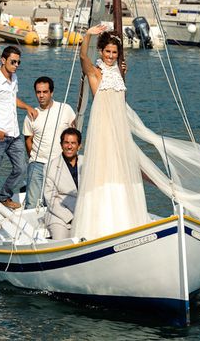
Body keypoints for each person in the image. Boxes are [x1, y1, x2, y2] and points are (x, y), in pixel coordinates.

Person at [71, 25, 149, 240]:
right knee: (104, 168)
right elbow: (82, 54)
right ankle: (101, 224)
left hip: (120, 127)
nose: (111, 56)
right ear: (101, 51)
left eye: (114, 52)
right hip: (103, 126)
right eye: (108, 52)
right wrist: (88, 34)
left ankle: (125, 218)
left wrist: (123, 70)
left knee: (122, 167)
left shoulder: (119, 71)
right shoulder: (95, 72)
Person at [0, 45, 37, 210]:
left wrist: (27, 107)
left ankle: (3, 197)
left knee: (21, 168)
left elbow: (12, 99)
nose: (16, 65)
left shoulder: (14, 78)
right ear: (3, 60)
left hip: (14, 135)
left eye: (19, 62)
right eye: (13, 62)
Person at [22, 76, 76, 209]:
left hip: (59, 164)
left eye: (44, 92)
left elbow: (74, 134)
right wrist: (34, 158)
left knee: (56, 203)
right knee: (32, 204)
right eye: (38, 92)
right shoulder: (31, 115)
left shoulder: (65, 109)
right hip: (37, 164)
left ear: (51, 92)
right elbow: (28, 140)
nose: (41, 95)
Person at [44, 127, 83, 240]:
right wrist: (71, 218)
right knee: (61, 241)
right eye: (66, 143)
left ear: (79, 146)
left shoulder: (87, 162)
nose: (69, 146)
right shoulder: (50, 166)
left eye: (73, 143)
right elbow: (51, 199)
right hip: (59, 217)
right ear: (61, 145)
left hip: (85, 213)